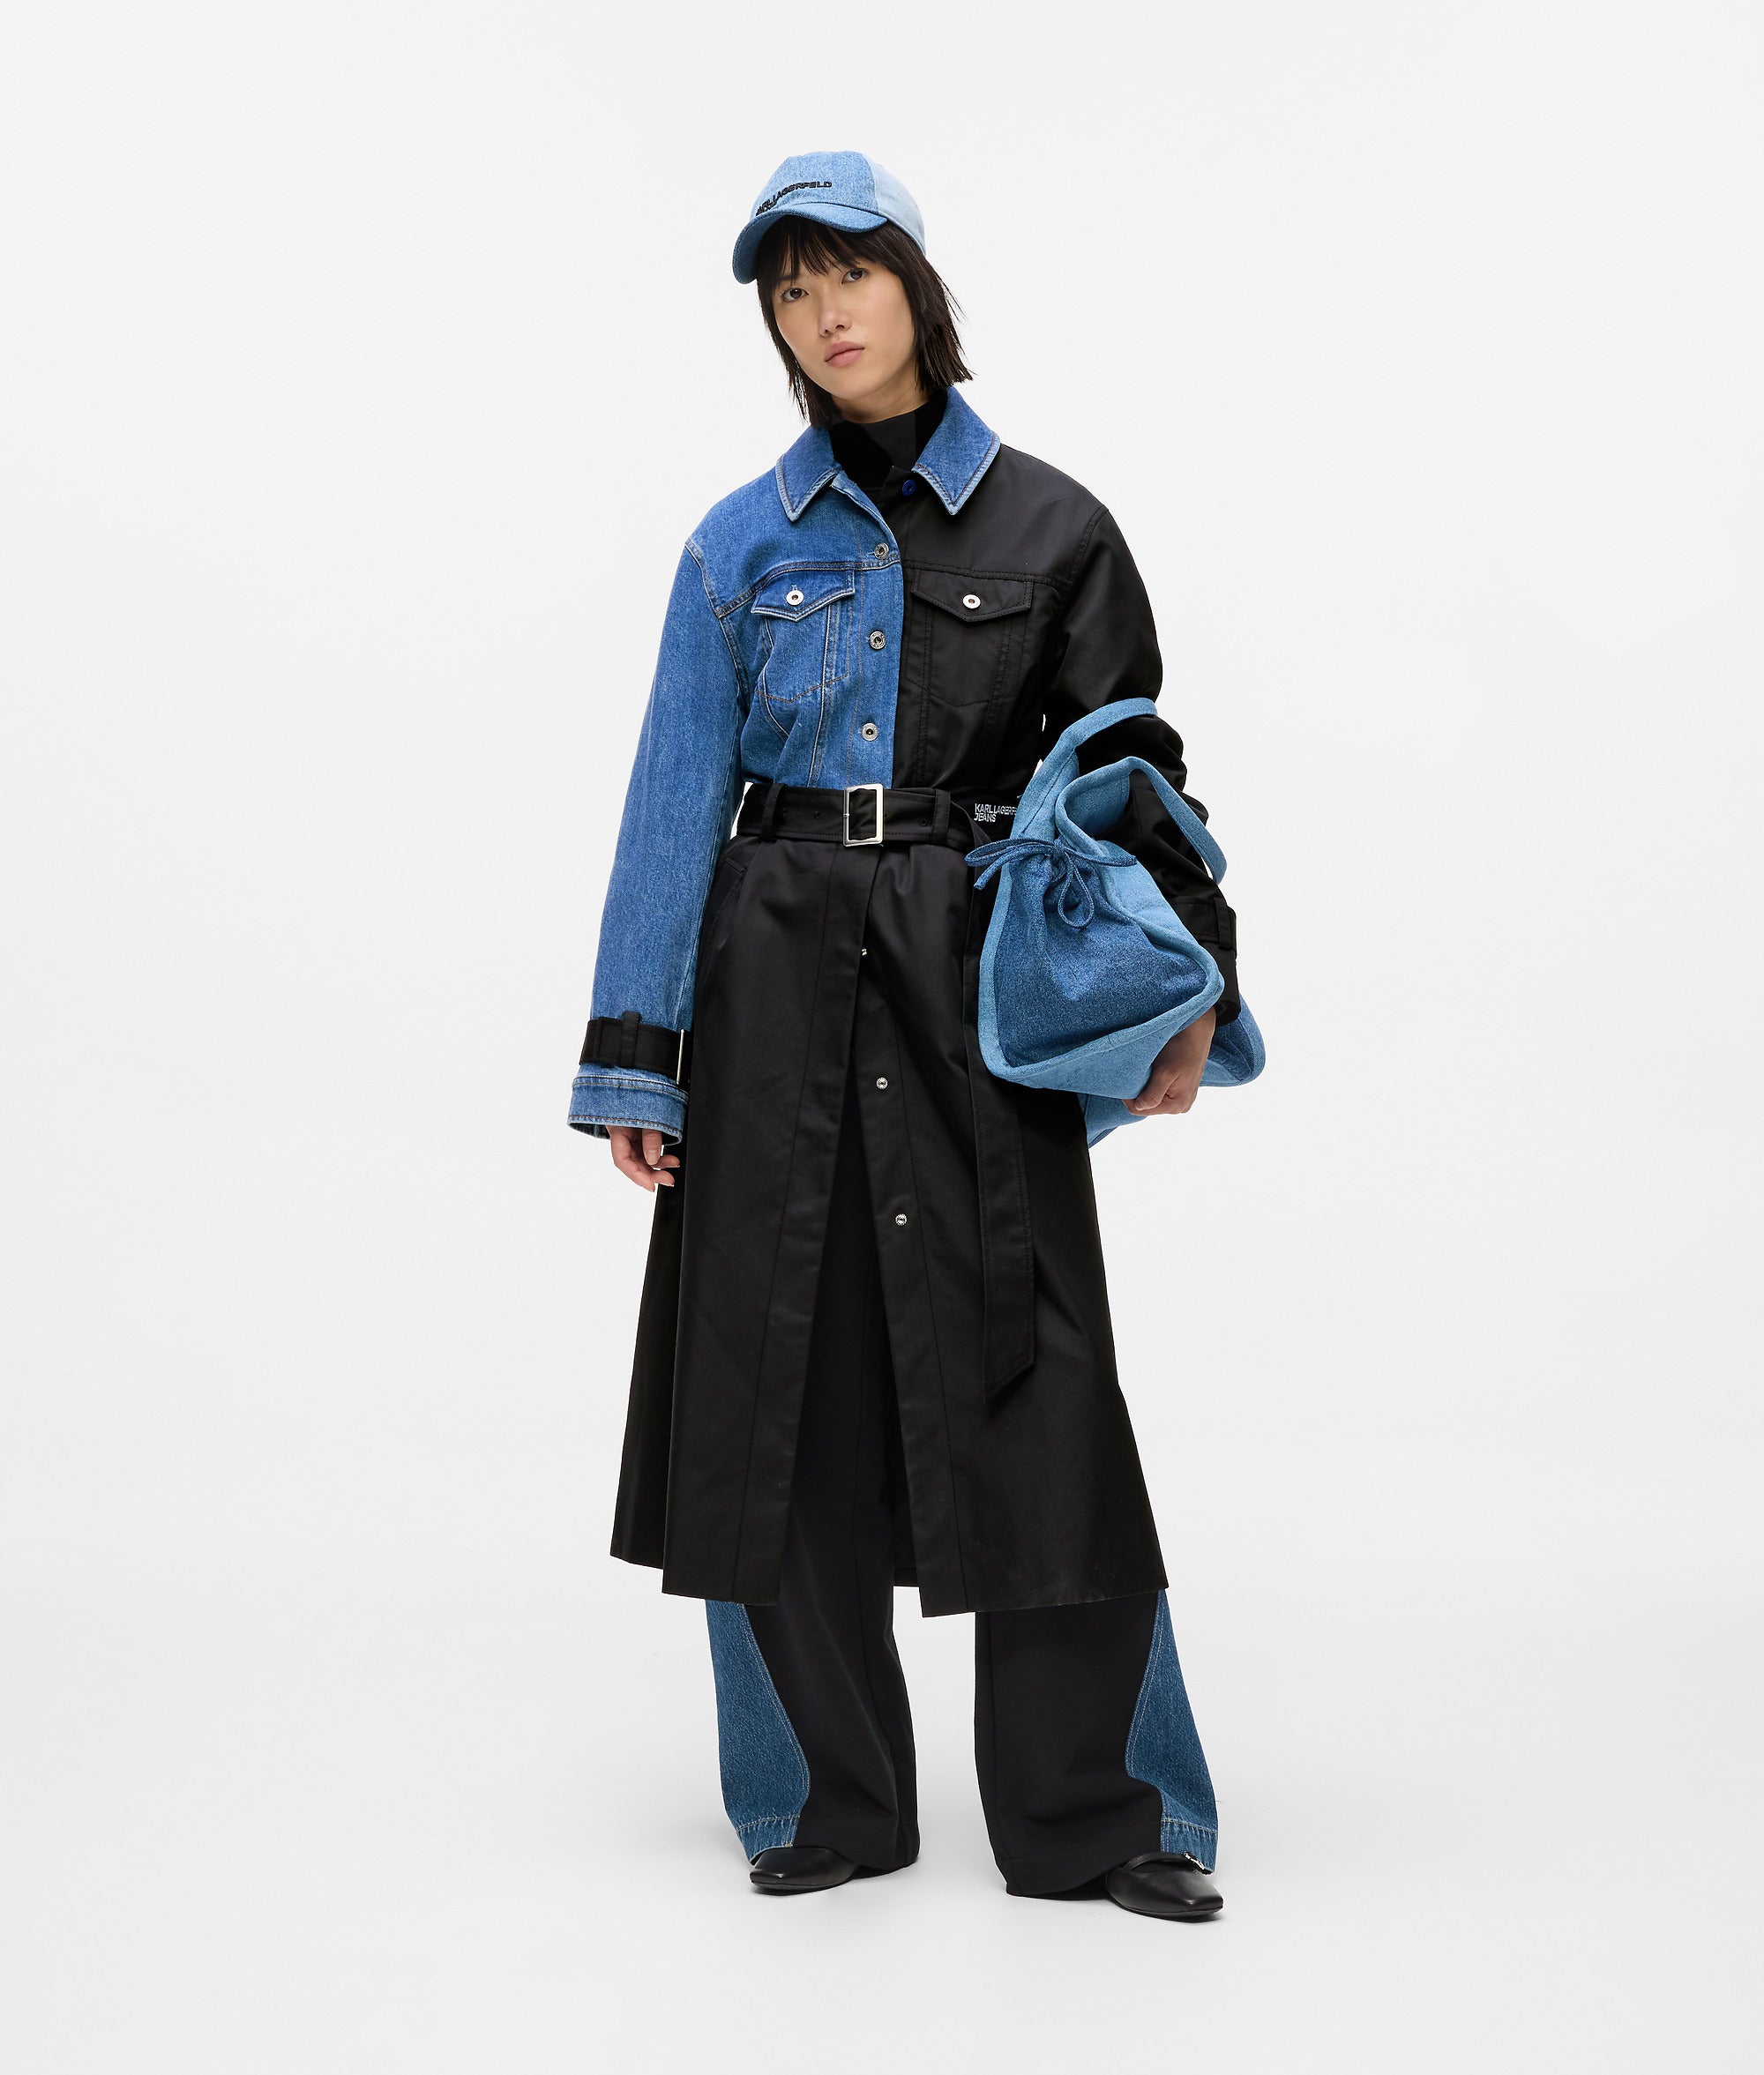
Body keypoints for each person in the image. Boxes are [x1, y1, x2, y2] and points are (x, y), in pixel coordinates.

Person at [570, 153, 1241, 1922]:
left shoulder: (1054, 527)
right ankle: (821, 1801)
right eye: (789, 291)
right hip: (769, 973)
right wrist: (639, 1052)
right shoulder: (737, 543)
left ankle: (1102, 1814)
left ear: (916, 288)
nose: (824, 314)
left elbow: (1134, 775)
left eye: (847, 274)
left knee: (1039, 1384)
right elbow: (672, 800)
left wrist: (1190, 994)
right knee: (766, 1389)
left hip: (970, 982)